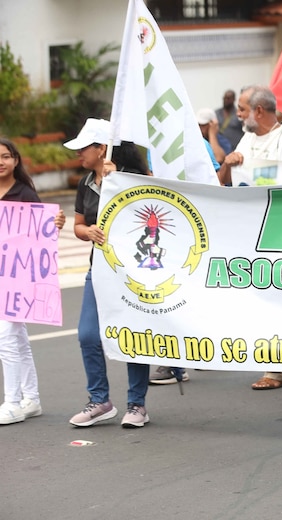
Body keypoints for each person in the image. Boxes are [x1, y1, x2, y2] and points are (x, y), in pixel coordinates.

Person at [64, 118, 154, 428]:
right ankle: (100, 400)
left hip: (133, 272)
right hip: (98, 269)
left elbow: (154, 212)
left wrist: (121, 182)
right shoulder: (84, 182)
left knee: (133, 336)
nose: (78, 154)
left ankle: (137, 404)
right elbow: (77, 225)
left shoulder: (135, 178)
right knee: (88, 335)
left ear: (102, 148)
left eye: (83, 148)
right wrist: (86, 231)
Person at [219, 85, 282, 389]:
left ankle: (277, 369)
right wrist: (230, 164)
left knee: (277, 298)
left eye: (242, 109)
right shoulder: (248, 138)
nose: (238, 115)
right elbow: (223, 182)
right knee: (261, 298)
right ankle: (280, 359)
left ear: (258, 111)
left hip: (280, 234)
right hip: (250, 231)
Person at [0, 138, 66, 425]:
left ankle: (12, 402)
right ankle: (31, 399)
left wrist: (56, 225)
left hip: (18, 279)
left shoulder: (24, 194)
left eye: (5, 156)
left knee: (5, 338)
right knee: (19, 339)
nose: (0, 162)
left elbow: (41, 237)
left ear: (16, 160)